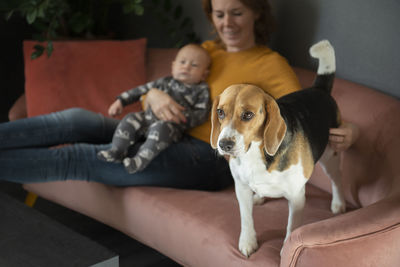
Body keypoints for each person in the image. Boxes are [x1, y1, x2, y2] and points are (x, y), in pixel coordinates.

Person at [0, 0, 358, 190]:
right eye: (219, 14)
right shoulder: (207, 51)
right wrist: (154, 95)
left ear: (256, 16)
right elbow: (168, 88)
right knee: (75, 119)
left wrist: (348, 130)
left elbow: (296, 119)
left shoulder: (271, 64)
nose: (227, 22)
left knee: (79, 158)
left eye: (237, 12)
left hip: (208, 159)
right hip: (161, 129)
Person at [97, 44, 211, 174]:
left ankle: (139, 161)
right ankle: (117, 150)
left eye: (194, 65)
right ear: (173, 66)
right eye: (182, 62)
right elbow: (141, 90)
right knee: (131, 118)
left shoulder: (201, 90)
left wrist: (182, 115)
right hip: (147, 117)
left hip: (171, 126)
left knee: (161, 128)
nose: (186, 67)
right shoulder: (165, 81)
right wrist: (121, 100)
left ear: (203, 75)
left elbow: (202, 114)